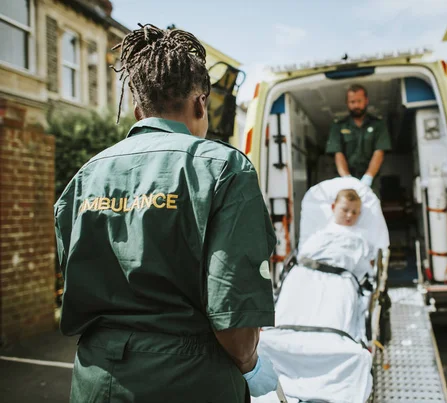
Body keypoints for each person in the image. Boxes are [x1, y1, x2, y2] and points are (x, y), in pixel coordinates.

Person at [53, 24, 278, 402]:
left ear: (139, 110)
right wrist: (251, 364)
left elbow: (74, 276)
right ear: (200, 103)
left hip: (96, 381)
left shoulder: (86, 175)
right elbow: (233, 317)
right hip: (191, 380)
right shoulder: (223, 168)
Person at [275, 189, 376, 343]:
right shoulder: (319, 234)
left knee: (333, 313)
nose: (350, 215)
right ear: (333, 207)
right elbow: (304, 253)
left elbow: (363, 268)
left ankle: (329, 343)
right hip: (304, 273)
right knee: (293, 305)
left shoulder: (360, 237)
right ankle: (283, 337)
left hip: (339, 276)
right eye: (345, 210)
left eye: (355, 212)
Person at [325, 84, 392, 191]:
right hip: (345, 180)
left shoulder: (378, 124)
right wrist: (347, 178)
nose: (356, 105)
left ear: (366, 101)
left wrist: (368, 177)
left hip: (371, 180)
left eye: (359, 101)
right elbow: (338, 153)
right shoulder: (338, 126)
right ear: (347, 103)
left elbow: (379, 152)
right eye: (352, 102)